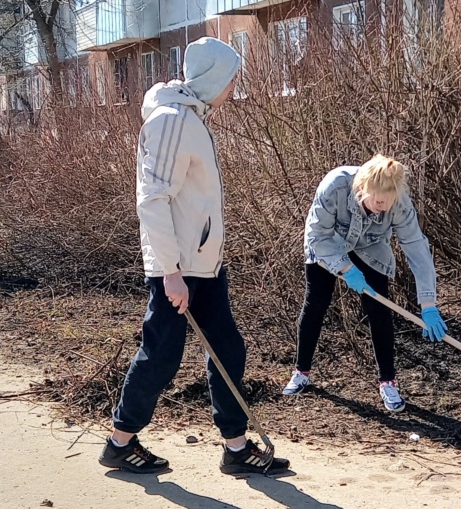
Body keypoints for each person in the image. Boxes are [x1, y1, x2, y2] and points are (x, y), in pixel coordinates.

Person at [98, 37, 290, 476]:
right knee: (161, 355)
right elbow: (152, 200)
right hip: (179, 269)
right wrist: (170, 272)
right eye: (231, 80)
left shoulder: (192, 119)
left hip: (202, 265)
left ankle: (236, 448)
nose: (233, 89)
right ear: (212, 80)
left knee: (227, 349)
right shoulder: (171, 121)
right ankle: (119, 442)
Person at [281, 155, 448, 412]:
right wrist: (346, 269)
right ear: (362, 189)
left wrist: (428, 303)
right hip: (328, 245)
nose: (383, 207)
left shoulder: (397, 201)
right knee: (316, 304)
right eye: (379, 202)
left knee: (379, 310)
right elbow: (317, 235)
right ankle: (301, 371)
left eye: (388, 203)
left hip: (371, 248)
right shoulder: (334, 186)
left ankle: (388, 382)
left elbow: (416, 248)